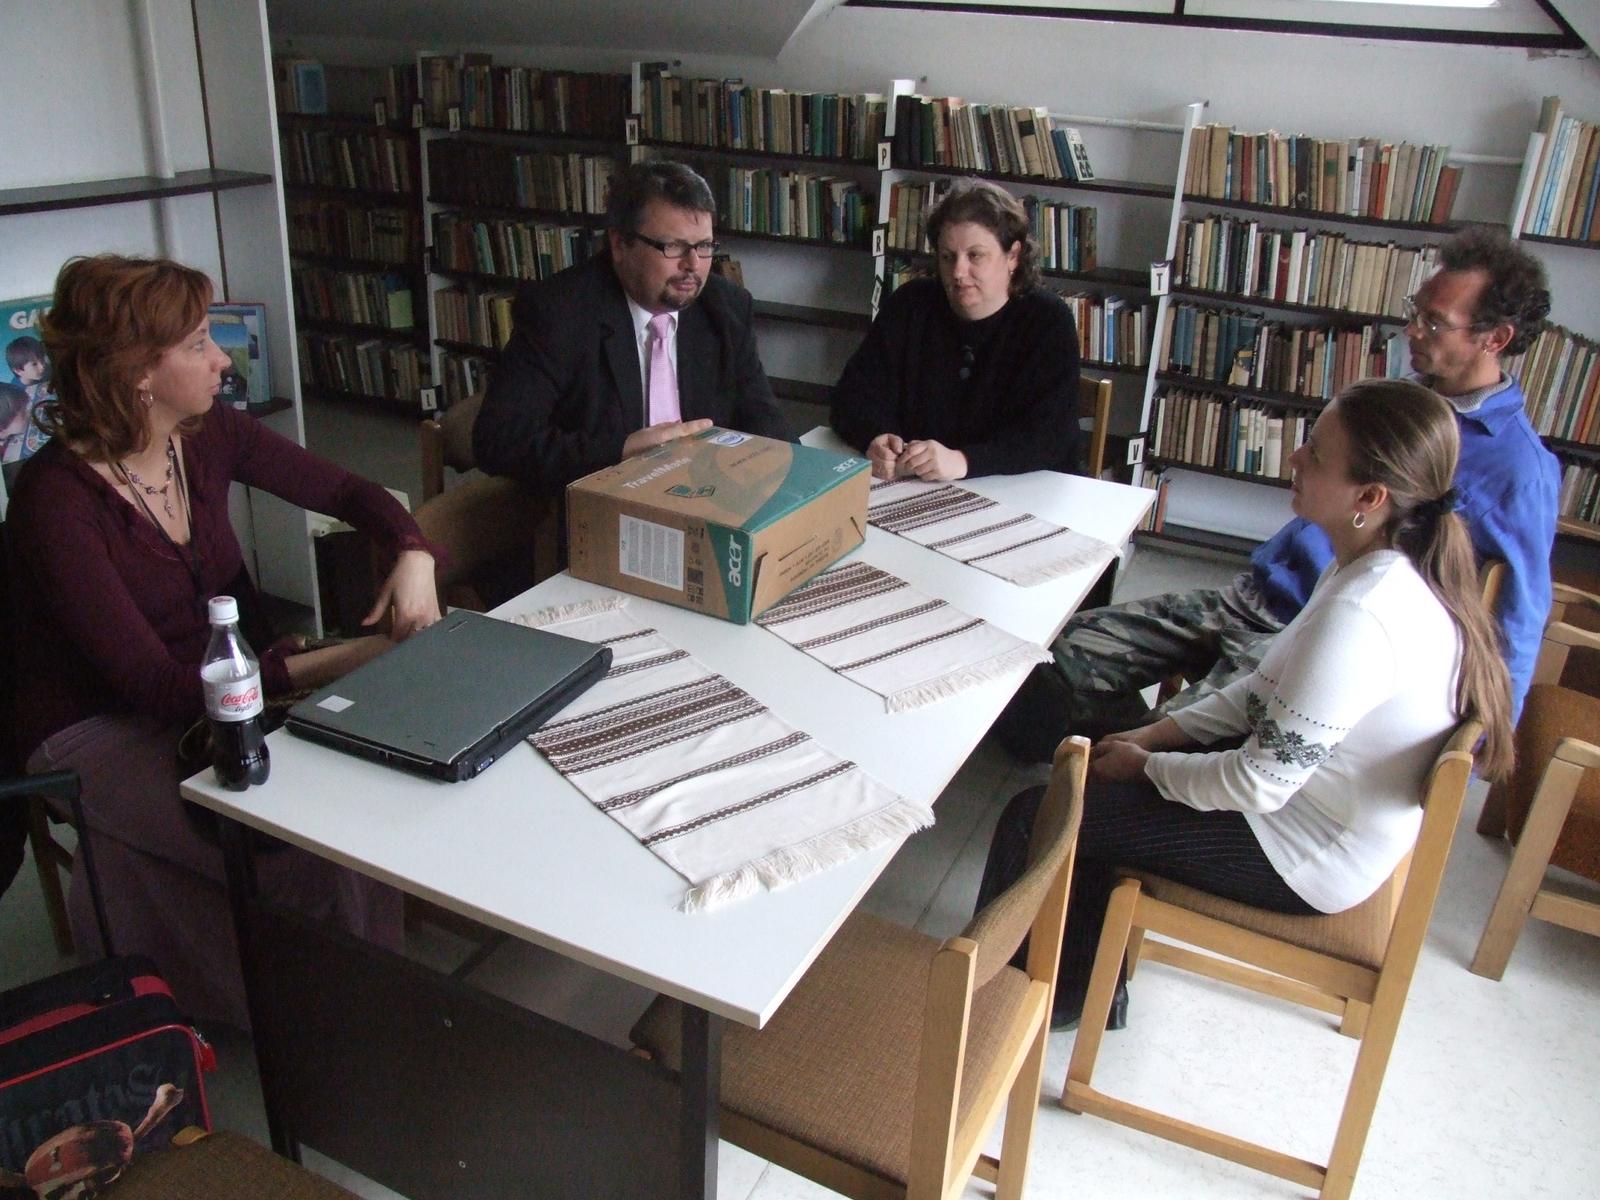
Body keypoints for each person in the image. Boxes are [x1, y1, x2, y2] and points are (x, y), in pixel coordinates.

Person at [980, 379, 1514, 1029]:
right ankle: (1080, 985)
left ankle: (1002, 1010)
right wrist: (1156, 737)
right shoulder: (1370, 565)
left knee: (1038, 814)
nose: (1295, 457)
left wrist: (1147, 768)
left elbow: (1260, 785)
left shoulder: (1363, 616)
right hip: (1312, 808)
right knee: (1095, 771)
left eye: (1317, 454)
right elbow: (1263, 687)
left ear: (1369, 498)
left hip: (1301, 854)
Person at [6, 254, 443, 1029]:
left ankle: (348, 996)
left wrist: (412, 552)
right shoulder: (55, 502)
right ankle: (318, 1013)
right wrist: (355, 656)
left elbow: (347, 490)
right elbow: (156, 689)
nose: (223, 361)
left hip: (224, 680)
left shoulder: (205, 434)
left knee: (363, 795)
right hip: (93, 724)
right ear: (138, 373)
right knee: (300, 841)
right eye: (199, 343)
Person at [997, 226, 1558, 761]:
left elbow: (1519, 612)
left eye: (1435, 323)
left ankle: (1129, 763)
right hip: (1256, 595)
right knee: (1049, 658)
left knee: (1162, 748)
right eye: (1416, 311)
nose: (1412, 330)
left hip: (1316, 635)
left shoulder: (1519, 470)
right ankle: (1116, 750)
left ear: (1496, 339)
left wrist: (1479, 738)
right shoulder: (1400, 399)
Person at [472, 159, 789, 501]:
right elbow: (498, 439)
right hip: (602, 505)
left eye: (704, 246)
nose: (693, 265)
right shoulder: (559, 312)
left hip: (708, 499)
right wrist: (620, 451)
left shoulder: (726, 307)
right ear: (620, 244)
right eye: (673, 246)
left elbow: (765, 421)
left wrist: (800, 487)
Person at [829, 178, 1081, 481]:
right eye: (948, 257)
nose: (958, 272)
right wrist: (875, 437)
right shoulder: (910, 305)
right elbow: (851, 397)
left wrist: (963, 461)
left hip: (1022, 490)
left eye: (975, 256)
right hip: (915, 485)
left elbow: (1050, 436)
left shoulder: (1047, 320)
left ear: (1013, 256)